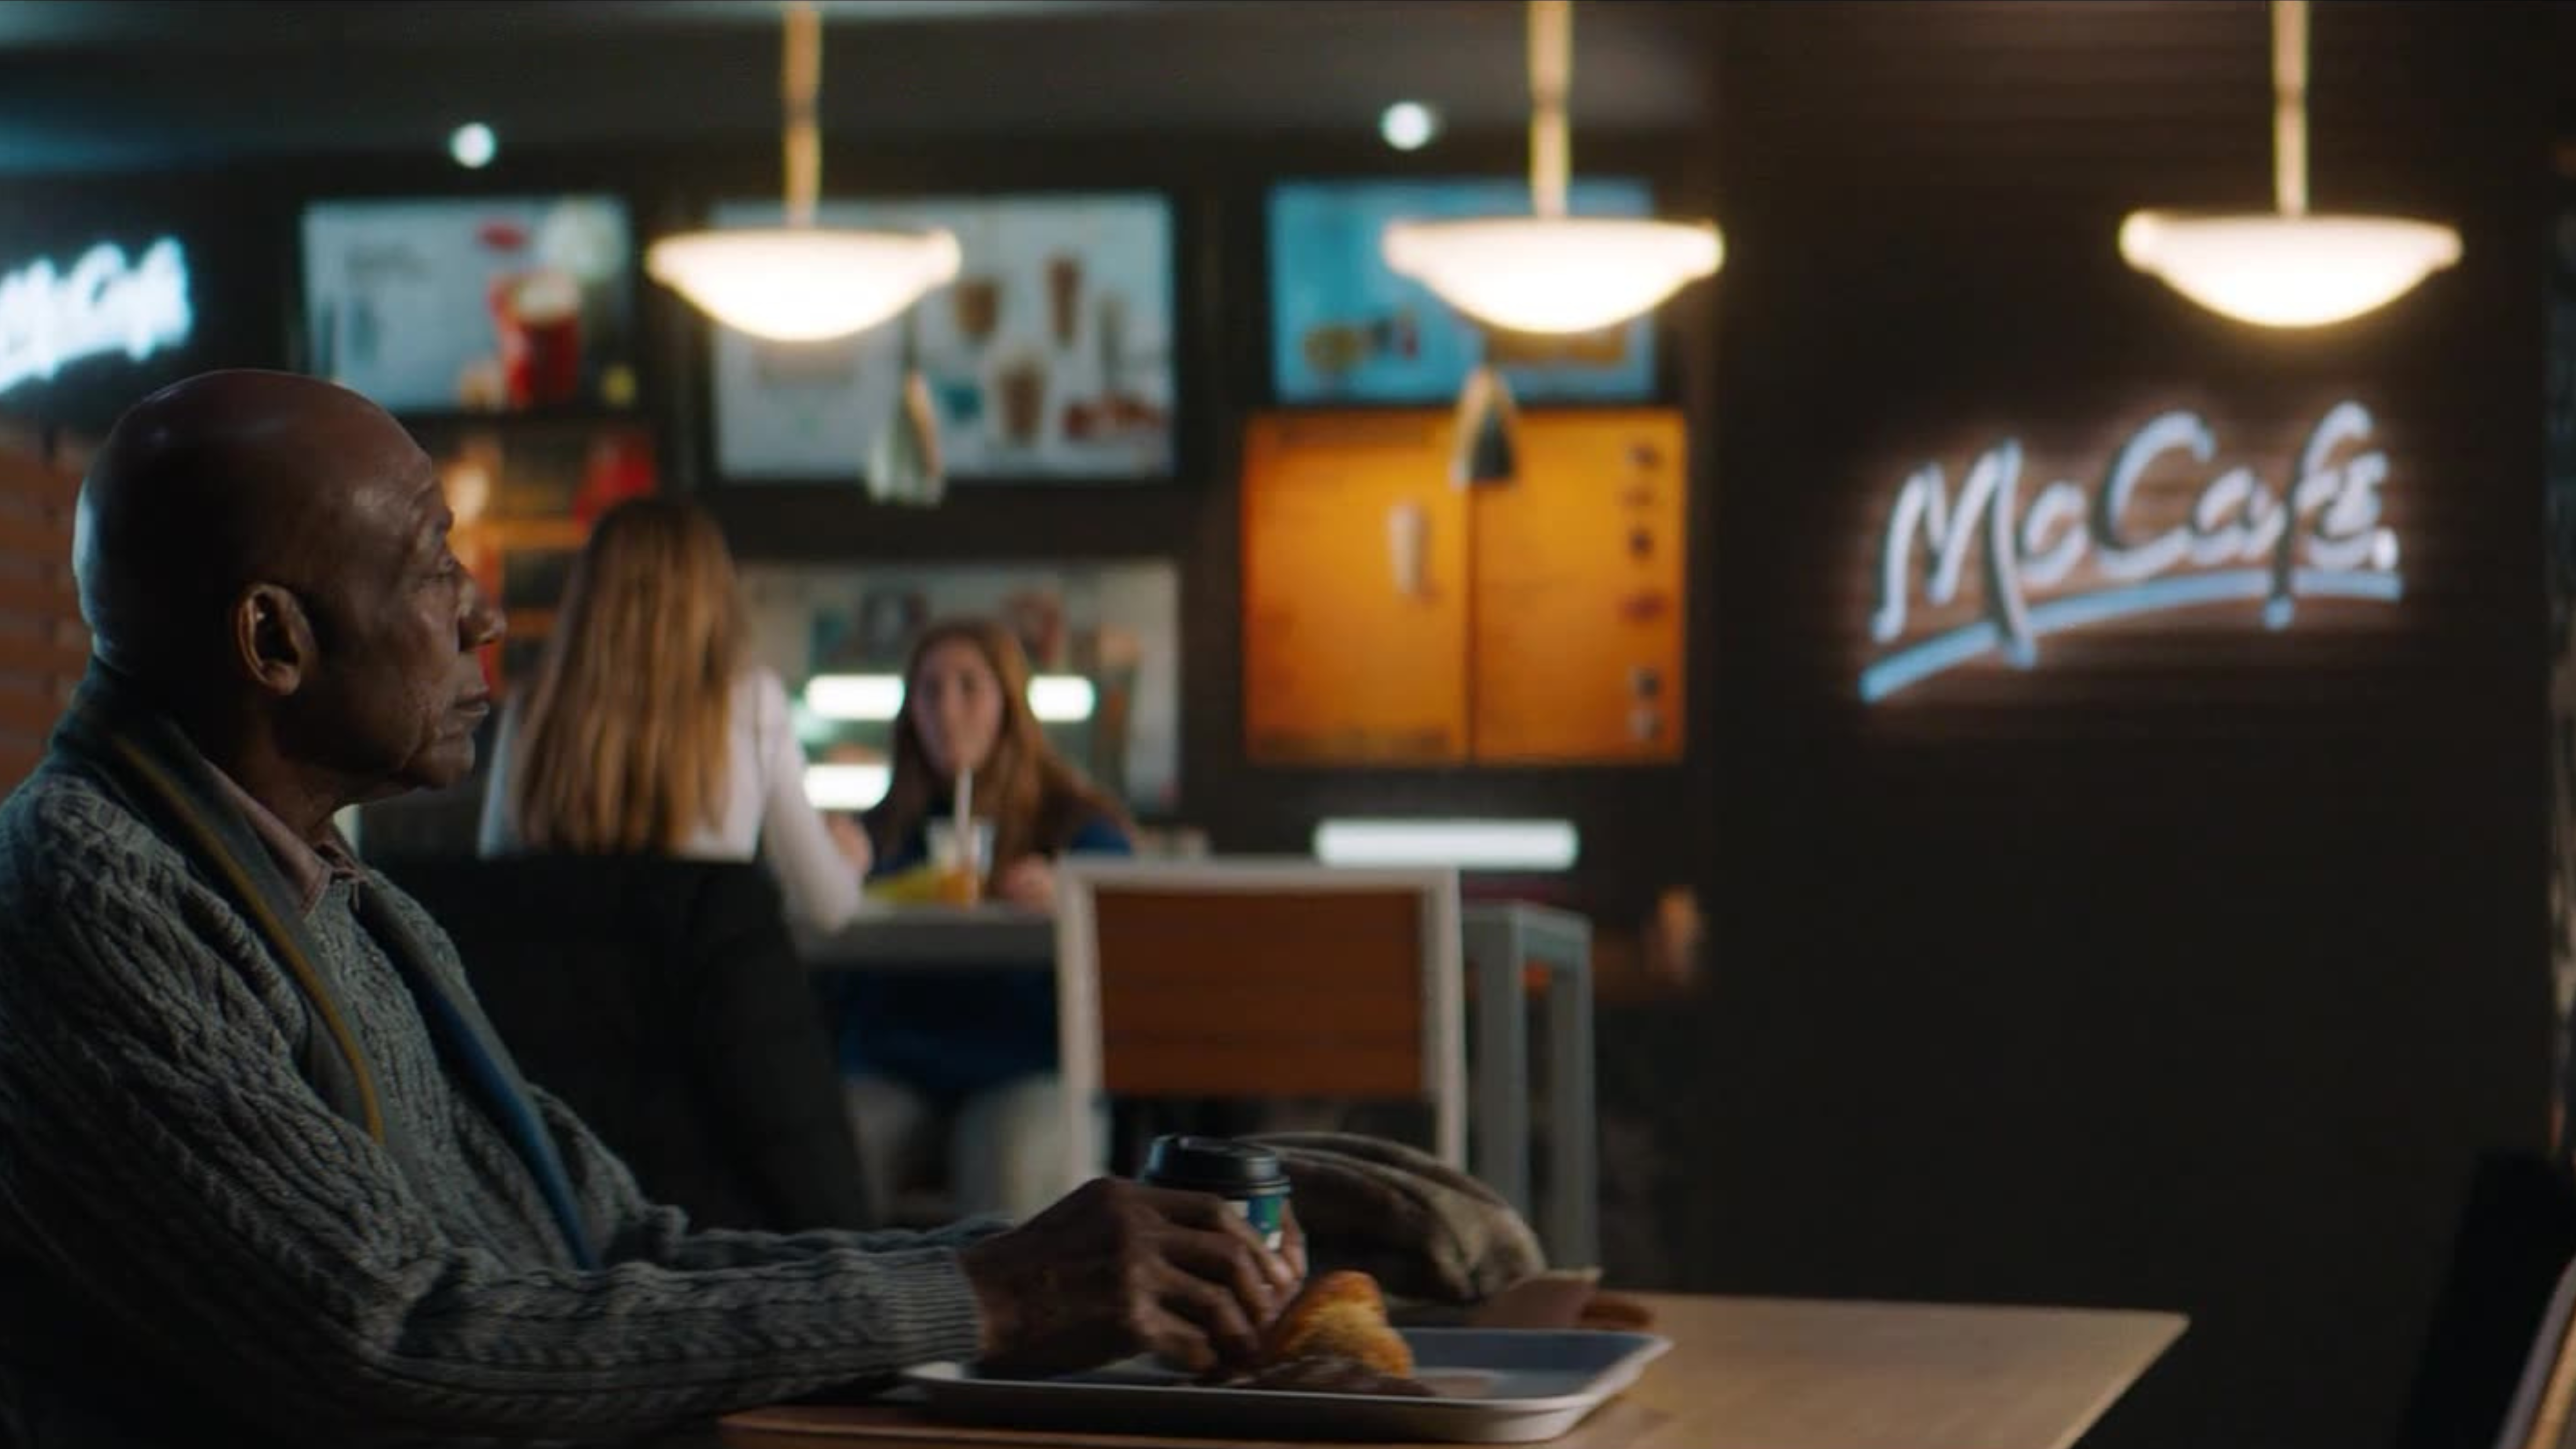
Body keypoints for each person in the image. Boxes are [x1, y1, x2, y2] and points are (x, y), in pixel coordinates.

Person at [0, 370, 1298, 1448]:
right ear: (274, 641)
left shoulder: (343, 895)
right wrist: (987, 1292)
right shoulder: (87, 896)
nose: (486, 613)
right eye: (431, 563)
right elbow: (393, 1338)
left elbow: (611, 1242)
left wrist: (1101, 1258)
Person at [835, 619, 1134, 1223]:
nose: (947, 709)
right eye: (929, 690)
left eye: (970, 687)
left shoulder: (1074, 827)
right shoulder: (881, 831)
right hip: (896, 1063)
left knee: (1014, 1163)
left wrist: (1069, 892)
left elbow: (1127, 915)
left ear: (1009, 704)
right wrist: (832, 868)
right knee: (832, 1151)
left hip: (1026, 1062)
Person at [478, 495, 871, 935]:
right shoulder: (753, 702)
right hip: (705, 997)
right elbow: (827, 906)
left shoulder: (535, 708)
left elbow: (496, 884)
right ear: (712, 593)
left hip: (558, 999)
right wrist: (847, 858)